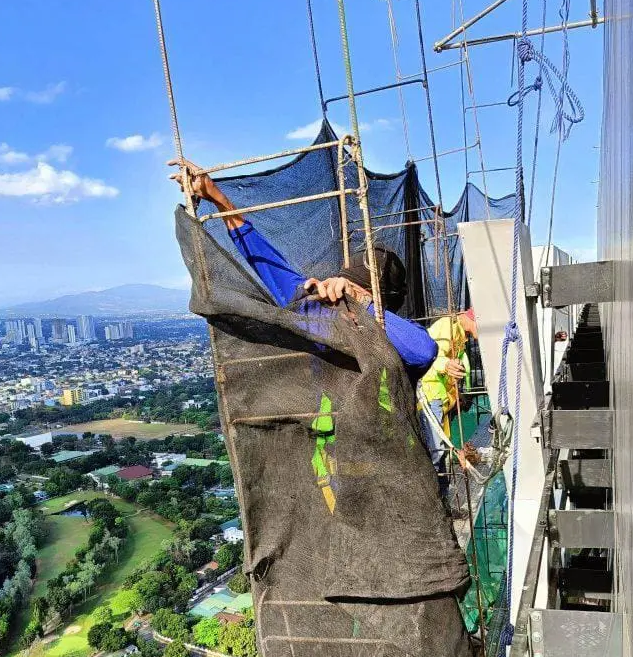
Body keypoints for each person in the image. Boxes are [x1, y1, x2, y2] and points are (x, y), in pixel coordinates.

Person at [170, 160, 437, 378]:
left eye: (351, 287)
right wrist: (219, 199)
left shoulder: (394, 335)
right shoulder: (315, 308)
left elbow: (423, 351)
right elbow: (264, 258)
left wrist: (360, 304)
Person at [417, 308, 479, 495]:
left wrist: (455, 394)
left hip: (441, 399)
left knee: (440, 454)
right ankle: (435, 503)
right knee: (435, 454)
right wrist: (445, 364)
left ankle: (442, 504)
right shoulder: (447, 326)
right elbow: (427, 353)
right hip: (431, 398)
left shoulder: (461, 335)